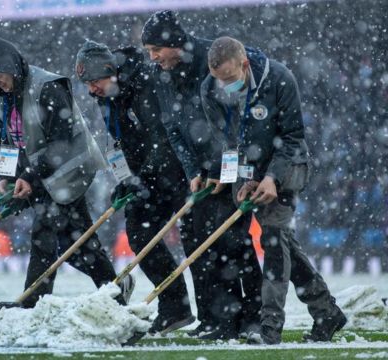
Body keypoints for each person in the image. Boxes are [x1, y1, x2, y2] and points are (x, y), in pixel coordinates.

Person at [201, 36, 347, 344]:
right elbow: (229, 143)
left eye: (229, 79)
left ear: (244, 64)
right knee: (282, 241)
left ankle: (269, 329)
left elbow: (292, 137)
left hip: (288, 166)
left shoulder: (279, 78)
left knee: (272, 240)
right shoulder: (209, 89)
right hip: (248, 169)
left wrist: (271, 178)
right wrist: (232, 178)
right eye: (218, 80)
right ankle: (327, 312)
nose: (224, 87)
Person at [0, 36, 134, 308]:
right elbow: (10, 141)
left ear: (12, 67)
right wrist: (9, 178)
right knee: (77, 240)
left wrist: (29, 177)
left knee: (45, 231)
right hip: (41, 173)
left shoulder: (46, 86)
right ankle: (115, 289)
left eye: (0, 76)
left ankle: (32, 302)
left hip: (71, 169)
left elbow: (60, 143)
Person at [141, 10, 263, 339]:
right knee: (198, 243)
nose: (153, 58)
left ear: (175, 43)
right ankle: (214, 319)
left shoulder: (212, 60)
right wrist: (193, 170)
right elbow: (171, 126)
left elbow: (234, 125)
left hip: (232, 165)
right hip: (202, 172)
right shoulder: (160, 73)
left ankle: (251, 317)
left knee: (234, 243)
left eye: (156, 50)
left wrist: (225, 168)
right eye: (149, 52)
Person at [74, 41, 195, 334]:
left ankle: (217, 315)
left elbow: (161, 137)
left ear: (110, 71)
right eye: (87, 84)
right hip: (146, 177)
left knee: (195, 237)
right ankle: (175, 306)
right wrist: (126, 178)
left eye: (94, 82)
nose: (91, 90)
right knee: (140, 233)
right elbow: (118, 143)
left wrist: (145, 176)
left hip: (178, 171)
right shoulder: (107, 98)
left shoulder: (147, 82)